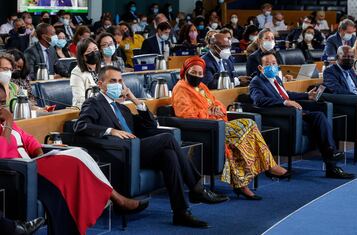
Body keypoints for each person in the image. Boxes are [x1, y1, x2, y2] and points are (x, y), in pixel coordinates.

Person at [74, 65, 228, 228]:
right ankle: (197, 188)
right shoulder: (94, 103)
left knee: (169, 155)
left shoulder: (122, 107)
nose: (118, 84)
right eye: (113, 81)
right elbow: (81, 126)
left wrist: (134, 99)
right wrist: (110, 131)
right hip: (120, 153)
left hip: (136, 150)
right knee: (167, 139)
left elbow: (150, 125)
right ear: (100, 84)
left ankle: (181, 212)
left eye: (120, 81)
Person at [0, 83, 148, 235]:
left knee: (78, 153)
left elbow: (29, 140)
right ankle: (116, 200)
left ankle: (114, 199)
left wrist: (40, 154)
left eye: (3, 103)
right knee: (75, 161)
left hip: (34, 162)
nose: (2, 108)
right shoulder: (7, 123)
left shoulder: (6, 122)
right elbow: (2, 153)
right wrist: (9, 124)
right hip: (18, 170)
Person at [172, 57, 289, 197]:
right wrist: (208, 112)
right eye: (193, 72)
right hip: (204, 129)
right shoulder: (180, 88)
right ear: (185, 71)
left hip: (218, 125)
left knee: (237, 143)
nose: (197, 76)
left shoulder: (202, 86)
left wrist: (217, 110)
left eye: (200, 73)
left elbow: (218, 104)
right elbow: (185, 115)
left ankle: (241, 185)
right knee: (249, 124)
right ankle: (270, 166)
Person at [250, 54, 354, 180]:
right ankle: (331, 161)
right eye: (268, 64)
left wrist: (306, 96)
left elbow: (286, 94)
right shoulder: (257, 82)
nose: (272, 66)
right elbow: (259, 100)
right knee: (320, 129)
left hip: (296, 114)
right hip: (284, 118)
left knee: (320, 116)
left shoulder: (276, 78)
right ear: (261, 68)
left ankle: (331, 155)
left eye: (274, 63)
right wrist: (285, 103)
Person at [70, 38, 101, 109]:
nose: (94, 52)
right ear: (82, 57)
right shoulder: (76, 73)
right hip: (85, 110)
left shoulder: (103, 69)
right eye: (89, 51)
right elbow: (79, 100)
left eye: (95, 49)